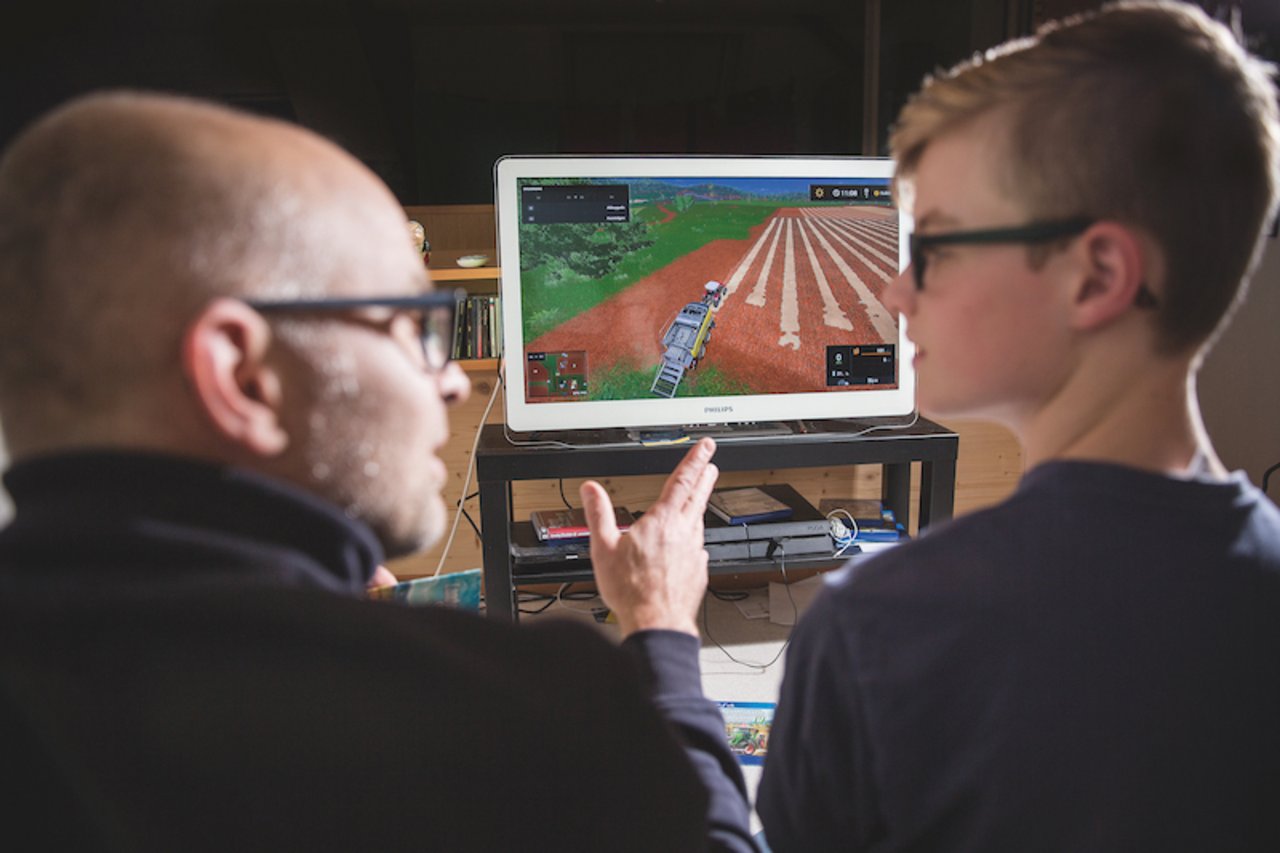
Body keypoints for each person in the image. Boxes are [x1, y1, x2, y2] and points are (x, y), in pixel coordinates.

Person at [584, 1, 1280, 850]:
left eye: (938, 247)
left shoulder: (880, 629)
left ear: (1096, 277)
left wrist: (659, 627)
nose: (896, 292)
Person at [0, 90, 755, 851]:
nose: (455, 380)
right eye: (414, 324)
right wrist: (659, 630)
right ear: (244, 375)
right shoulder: (528, 716)